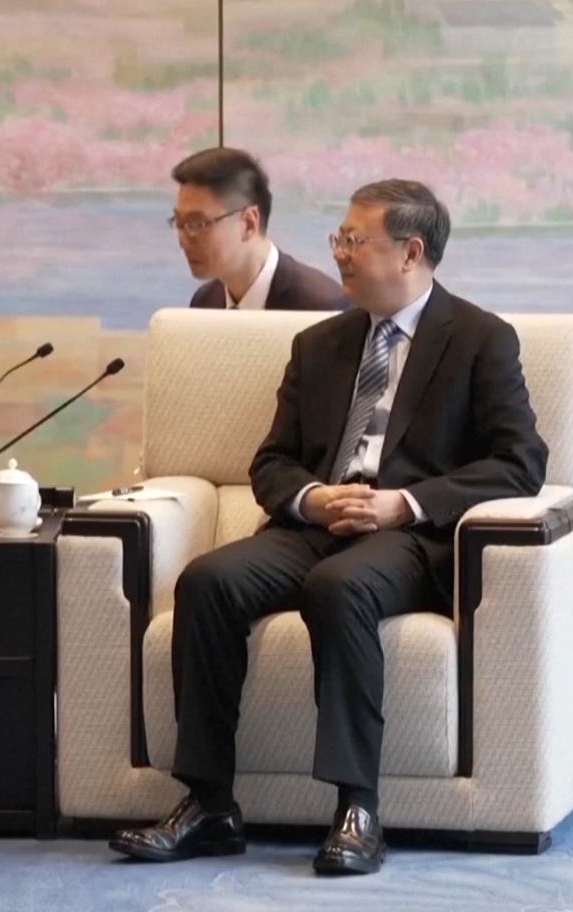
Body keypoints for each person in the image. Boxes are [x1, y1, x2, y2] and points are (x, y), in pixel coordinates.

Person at [113, 180, 547, 875]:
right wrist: (313, 498)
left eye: (354, 239)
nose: (339, 253)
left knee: (338, 587)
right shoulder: (318, 343)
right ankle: (208, 803)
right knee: (207, 581)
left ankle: (357, 808)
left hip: (408, 537)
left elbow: (519, 463)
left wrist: (403, 503)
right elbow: (271, 462)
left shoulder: (478, 340)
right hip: (314, 525)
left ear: (410, 252)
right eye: (338, 239)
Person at [170, 147, 346, 311]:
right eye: (178, 222)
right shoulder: (205, 302)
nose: (182, 241)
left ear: (249, 223)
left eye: (197, 224)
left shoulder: (321, 307)